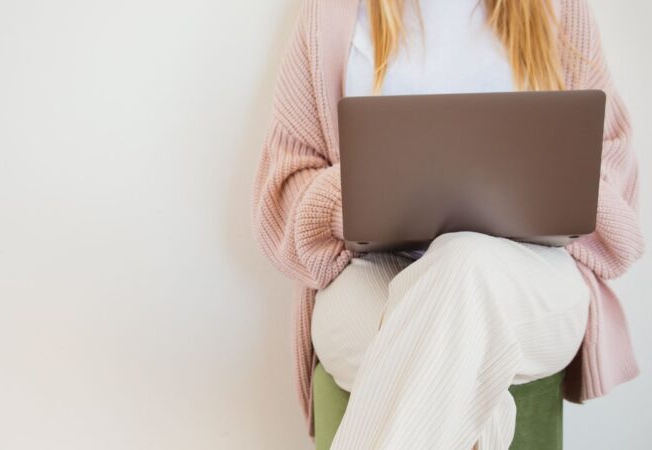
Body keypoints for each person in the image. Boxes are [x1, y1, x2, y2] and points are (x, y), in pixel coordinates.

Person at [251, 0, 645, 448]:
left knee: (463, 260)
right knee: (455, 354)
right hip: (373, 272)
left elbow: (612, 169)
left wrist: (553, 183)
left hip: (527, 275)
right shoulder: (333, 12)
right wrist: (354, 195)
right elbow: (284, 185)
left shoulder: (559, 8)